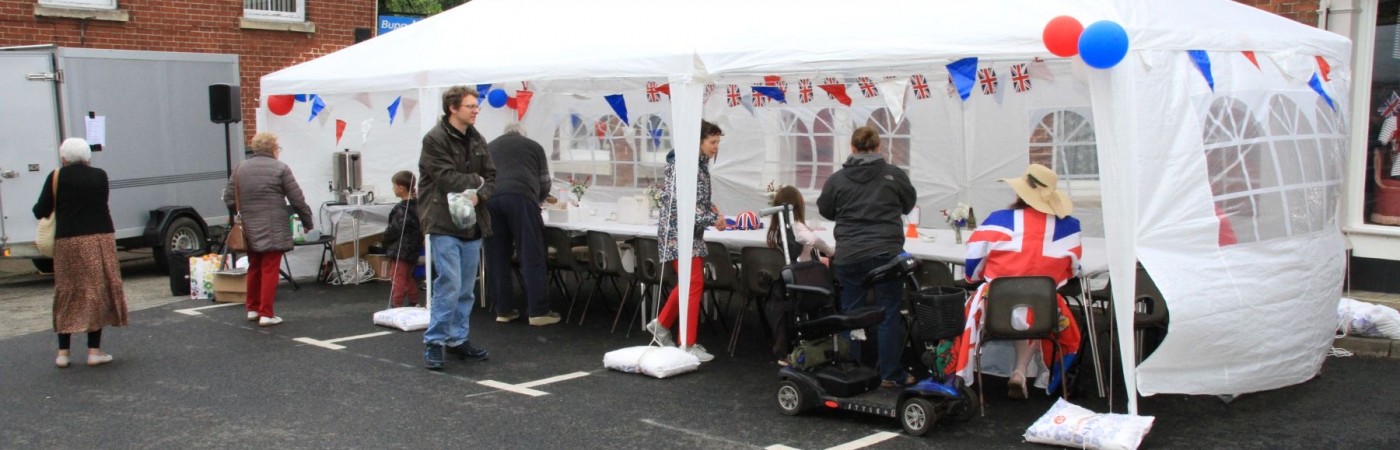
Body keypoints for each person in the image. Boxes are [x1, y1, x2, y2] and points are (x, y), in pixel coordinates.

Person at [947, 163, 1083, 400]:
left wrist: (979, 277)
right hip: (1045, 310)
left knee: (1014, 302)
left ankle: (966, 375)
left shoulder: (998, 220)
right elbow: (1071, 270)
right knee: (1033, 306)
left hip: (996, 307)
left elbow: (972, 267)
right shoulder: (1070, 227)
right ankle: (1020, 371)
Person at [816, 126, 917, 388]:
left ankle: (854, 370)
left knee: (852, 313)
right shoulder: (893, 175)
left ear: (852, 148)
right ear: (878, 147)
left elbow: (826, 210)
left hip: (849, 254)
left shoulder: (838, 179)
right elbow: (908, 204)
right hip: (886, 253)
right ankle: (890, 374)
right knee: (888, 313)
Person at [32, 137, 129, 368]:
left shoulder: (56, 177)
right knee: (96, 290)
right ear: (87, 157)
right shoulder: (100, 176)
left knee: (68, 290)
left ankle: (63, 354)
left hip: (68, 241)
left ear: (64, 157)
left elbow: (40, 210)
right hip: (100, 238)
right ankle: (94, 351)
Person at [418, 85, 495, 370]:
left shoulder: (478, 139)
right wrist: (477, 182)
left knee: (465, 288)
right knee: (448, 283)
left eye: (476, 106)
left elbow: (492, 176)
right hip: (442, 220)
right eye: (470, 106)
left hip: (472, 222)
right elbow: (445, 177)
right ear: (453, 108)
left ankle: (457, 339)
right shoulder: (434, 139)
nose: (476, 110)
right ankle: (434, 341)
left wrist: (481, 195)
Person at [646, 120, 727, 363]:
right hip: (680, 234)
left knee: (689, 284)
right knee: (693, 285)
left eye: (717, 142)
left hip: (685, 234)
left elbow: (692, 201)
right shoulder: (686, 166)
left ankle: (663, 327)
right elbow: (682, 206)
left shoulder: (695, 165)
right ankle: (687, 342)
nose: (716, 147)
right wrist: (713, 217)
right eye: (712, 142)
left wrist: (709, 209)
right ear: (698, 142)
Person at [223, 132, 315, 328]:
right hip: (274, 225)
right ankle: (266, 313)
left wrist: (243, 211)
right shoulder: (281, 168)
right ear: (273, 148)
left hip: (248, 225)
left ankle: (252, 309)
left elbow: (229, 198)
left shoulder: (240, 168)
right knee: (270, 269)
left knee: (254, 267)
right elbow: (297, 199)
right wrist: (307, 221)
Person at [484, 123, 560, 326]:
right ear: (522, 134)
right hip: (521, 197)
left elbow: (482, 178)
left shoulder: (489, 147)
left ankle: (503, 310)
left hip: (490, 200)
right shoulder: (533, 146)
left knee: (496, 256)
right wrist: (538, 200)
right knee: (531, 253)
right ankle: (538, 311)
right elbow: (544, 181)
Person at [382, 170, 422, 308]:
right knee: (406, 276)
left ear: (402, 188)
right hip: (414, 247)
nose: (393, 189)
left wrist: (384, 241)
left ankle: (396, 305)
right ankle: (414, 301)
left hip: (401, 248)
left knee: (397, 277)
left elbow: (394, 229)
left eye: (394, 186)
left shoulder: (401, 208)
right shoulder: (419, 205)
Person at [766, 185, 834, 264]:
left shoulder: (776, 229)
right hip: (804, 270)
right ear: (798, 207)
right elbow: (813, 240)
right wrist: (830, 252)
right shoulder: (796, 227)